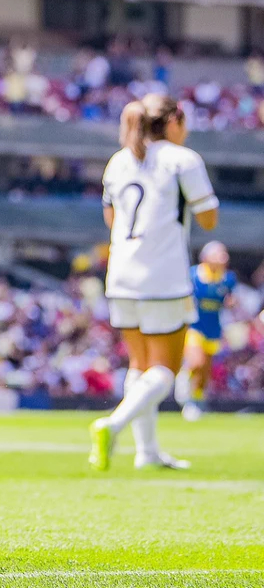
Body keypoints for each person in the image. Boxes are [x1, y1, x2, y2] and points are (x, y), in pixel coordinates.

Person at [89, 94, 219, 472]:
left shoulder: (118, 161)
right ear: (174, 120)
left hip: (122, 274)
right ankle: (113, 424)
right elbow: (209, 220)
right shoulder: (183, 159)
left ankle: (146, 451)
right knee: (166, 369)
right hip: (163, 274)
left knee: (139, 364)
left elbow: (111, 221)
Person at [175, 241, 236, 422]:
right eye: (218, 254)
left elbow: (229, 300)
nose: (223, 258)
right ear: (206, 257)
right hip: (194, 327)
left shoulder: (228, 278)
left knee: (205, 370)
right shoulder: (193, 276)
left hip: (214, 329)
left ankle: (195, 402)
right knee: (196, 362)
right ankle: (183, 380)